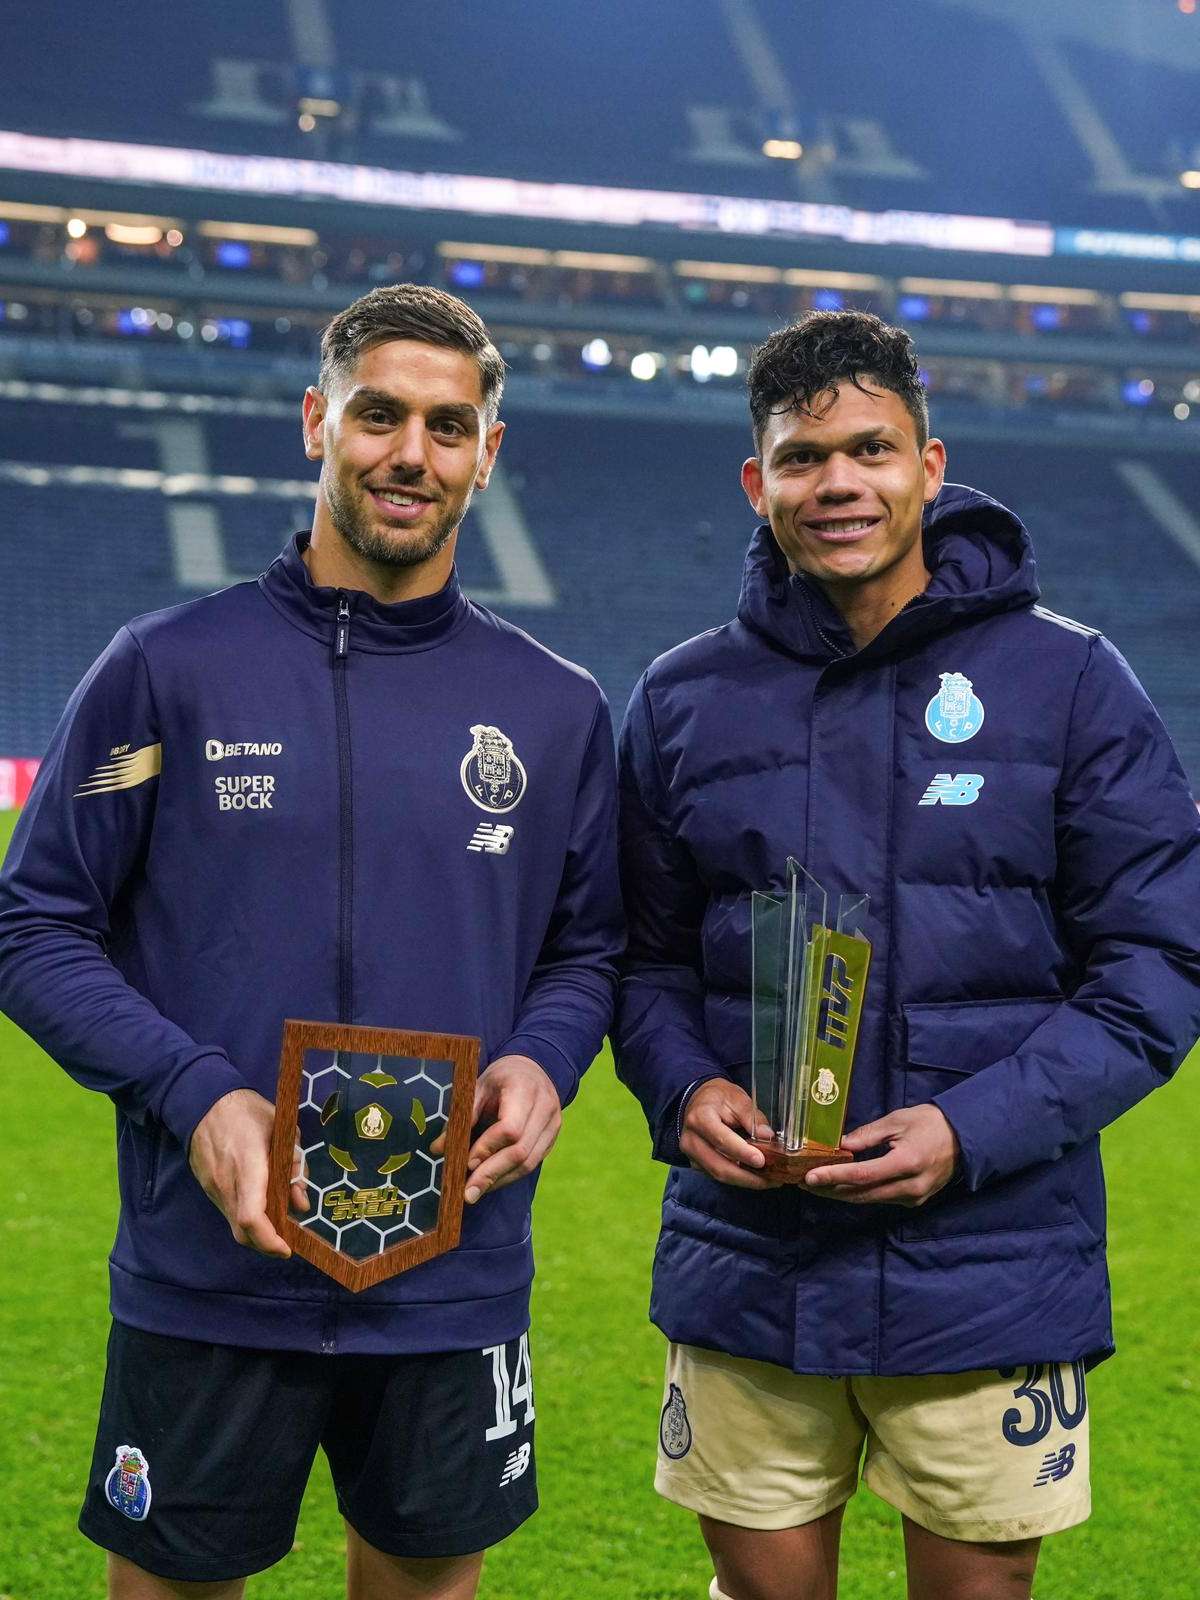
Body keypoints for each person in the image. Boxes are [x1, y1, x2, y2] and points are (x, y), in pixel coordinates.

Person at [0, 284, 622, 1599]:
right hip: (207, 1272)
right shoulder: (168, 669)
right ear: (315, 422)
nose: (412, 454)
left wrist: (547, 1063)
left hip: (452, 1268)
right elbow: (36, 920)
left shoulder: (555, 709)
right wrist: (194, 1091)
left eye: (449, 427)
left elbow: (589, 947)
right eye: (378, 415)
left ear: (488, 453)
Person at [614, 309, 1200, 1600]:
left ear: (929, 468)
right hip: (747, 1258)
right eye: (804, 456)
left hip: (992, 1265)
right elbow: (639, 961)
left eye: (870, 450)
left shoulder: (1073, 685)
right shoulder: (678, 701)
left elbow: (1158, 969)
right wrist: (680, 1087)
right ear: (757, 478)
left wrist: (969, 1129)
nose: (838, 484)